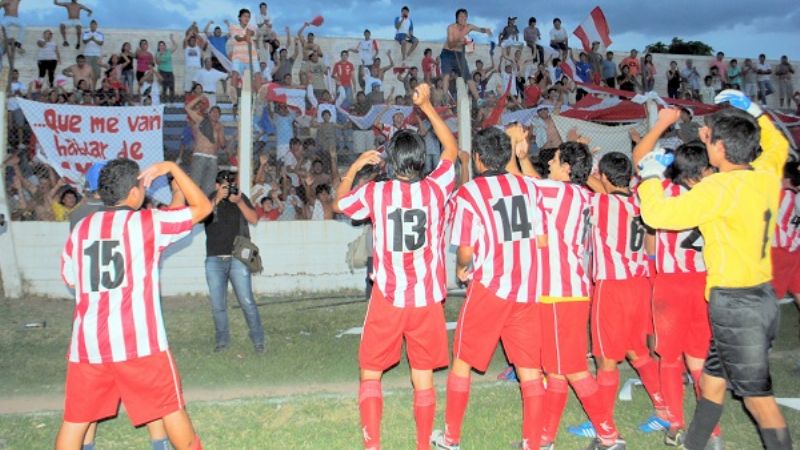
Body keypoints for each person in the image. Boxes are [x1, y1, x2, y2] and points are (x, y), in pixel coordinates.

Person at [635, 92, 792, 450]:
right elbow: (778, 144)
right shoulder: (765, 175)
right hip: (758, 296)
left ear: (719, 148)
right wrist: (755, 111)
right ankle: (696, 443)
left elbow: (658, 216)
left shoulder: (719, 187)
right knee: (711, 382)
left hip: (736, 303)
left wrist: (651, 177)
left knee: (758, 400)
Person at [334, 83, 458, 450]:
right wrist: (427, 107)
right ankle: (423, 445)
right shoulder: (436, 189)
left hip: (387, 297)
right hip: (426, 300)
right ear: (421, 161)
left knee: (370, 374)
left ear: (389, 160)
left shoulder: (377, 192)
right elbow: (451, 149)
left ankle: (373, 446)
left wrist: (356, 165)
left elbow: (340, 205)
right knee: (423, 378)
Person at [55, 158, 211, 450]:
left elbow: (71, 279)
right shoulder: (146, 223)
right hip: (139, 342)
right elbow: (203, 208)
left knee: (75, 420)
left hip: (88, 344)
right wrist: (173, 169)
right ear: (134, 193)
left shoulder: (82, 229)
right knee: (170, 408)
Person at [430, 124, 548, 450]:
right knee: (529, 370)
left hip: (491, 287)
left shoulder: (470, 193)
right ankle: (532, 443)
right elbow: (541, 238)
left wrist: (461, 267)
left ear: (479, 159)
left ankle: (451, 438)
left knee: (462, 361)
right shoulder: (529, 187)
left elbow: (465, 247)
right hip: (527, 287)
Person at [203, 170, 265, 353]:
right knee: (217, 304)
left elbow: (253, 219)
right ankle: (222, 341)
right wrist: (216, 199)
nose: (227, 187)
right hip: (214, 258)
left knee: (247, 301)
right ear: (216, 185)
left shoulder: (239, 197)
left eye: (229, 183)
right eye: (223, 184)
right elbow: (200, 217)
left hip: (237, 258)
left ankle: (258, 340)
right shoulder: (209, 199)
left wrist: (238, 203)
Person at [440, 8, 492, 101]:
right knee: (446, 74)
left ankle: (478, 99)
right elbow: (451, 44)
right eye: (460, 16)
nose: (463, 18)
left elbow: (480, 29)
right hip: (447, 53)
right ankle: (445, 96)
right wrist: (463, 41)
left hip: (459, 54)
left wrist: (486, 30)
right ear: (457, 18)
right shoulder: (451, 27)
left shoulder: (469, 27)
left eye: (465, 16)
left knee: (467, 76)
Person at [770, 161, 800, 305]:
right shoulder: (797, 197)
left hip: (778, 251)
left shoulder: (780, 195)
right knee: (798, 288)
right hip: (796, 249)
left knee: (770, 295)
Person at [186, 96, 225, 195]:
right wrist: (199, 98)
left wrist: (219, 131)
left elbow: (223, 144)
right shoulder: (201, 120)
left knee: (209, 189)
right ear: (209, 113)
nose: (215, 114)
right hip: (200, 155)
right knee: (194, 185)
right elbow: (187, 108)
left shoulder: (220, 126)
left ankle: (207, 208)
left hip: (213, 158)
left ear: (220, 116)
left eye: (218, 113)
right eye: (213, 112)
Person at [81, 19, 103, 90]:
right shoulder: (86, 33)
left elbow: (101, 43)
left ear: (96, 26)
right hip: (87, 55)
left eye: (94, 25)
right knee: (87, 73)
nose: (93, 26)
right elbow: (84, 41)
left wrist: (94, 40)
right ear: (90, 25)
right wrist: (90, 38)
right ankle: (87, 88)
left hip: (96, 55)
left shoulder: (100, 34)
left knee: (96, 73)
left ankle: (94, 88)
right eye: (92, 25)